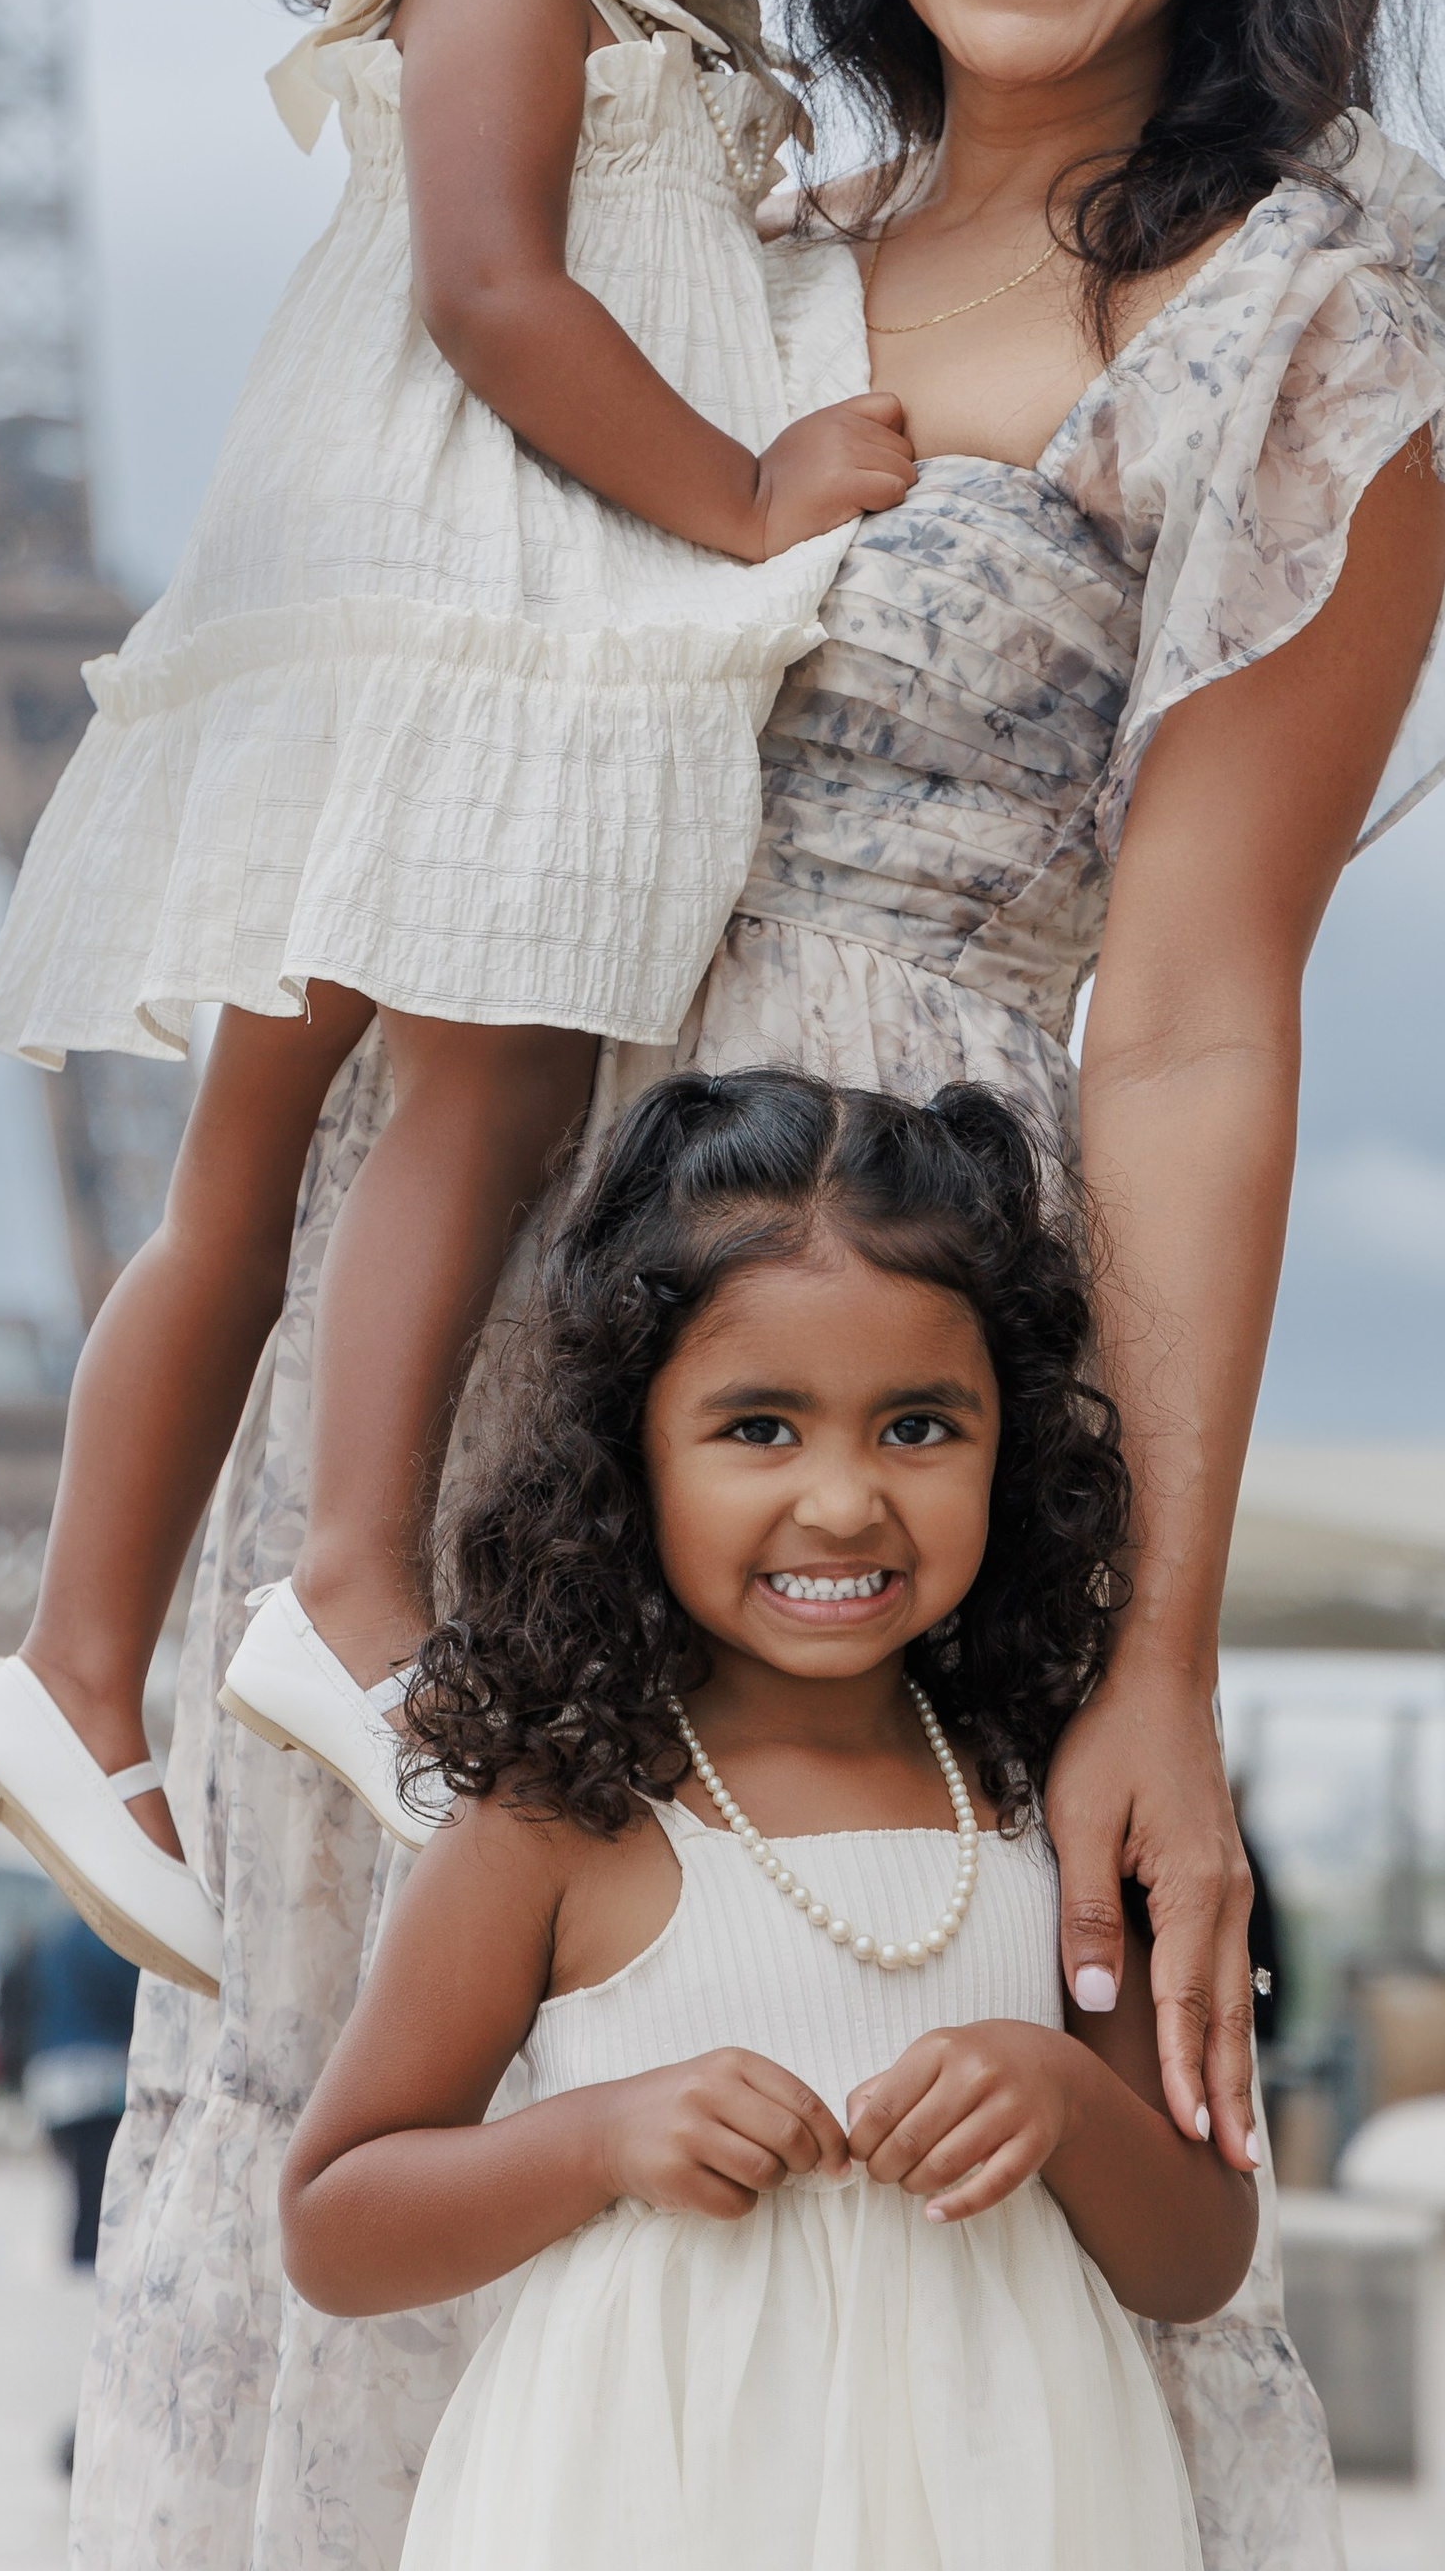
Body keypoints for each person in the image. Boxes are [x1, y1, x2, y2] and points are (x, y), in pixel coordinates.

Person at [72, 0, 1445, 2571]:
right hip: (494, 1323)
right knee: (387, 2155)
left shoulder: (1291, 326)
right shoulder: (690, 224)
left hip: (891, 1364)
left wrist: (1151, 1643)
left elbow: (1181, 1017)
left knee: (932, 2169)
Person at [0, 0, 902, 1983]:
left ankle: (70, 1663)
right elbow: (489, 295)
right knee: (476, 1078)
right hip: (454, 607)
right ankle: (345, 1579)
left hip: (377, 614)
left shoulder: (660, 28)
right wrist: (749, 490)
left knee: (245, 1170)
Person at [286, 1071, 1251, 2566]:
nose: (848, 1500)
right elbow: (334, 2226)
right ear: (631, 1453)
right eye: (760, 1430)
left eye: (920, 1426)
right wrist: (600, 2139)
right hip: (641, 2510)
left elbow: (1198, 2259)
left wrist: (1061, 2101)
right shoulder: (563, 1820)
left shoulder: (1053, 1811)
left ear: (1018, 1446)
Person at [19, 1911, 142, 2266]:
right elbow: (131, 1997)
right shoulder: (106, 1936)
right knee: (98, 2183)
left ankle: (81, 2253)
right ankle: (89, 2257)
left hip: (53, 2075)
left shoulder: (57, 1937)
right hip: (95, 2079)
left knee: (80, 2181)